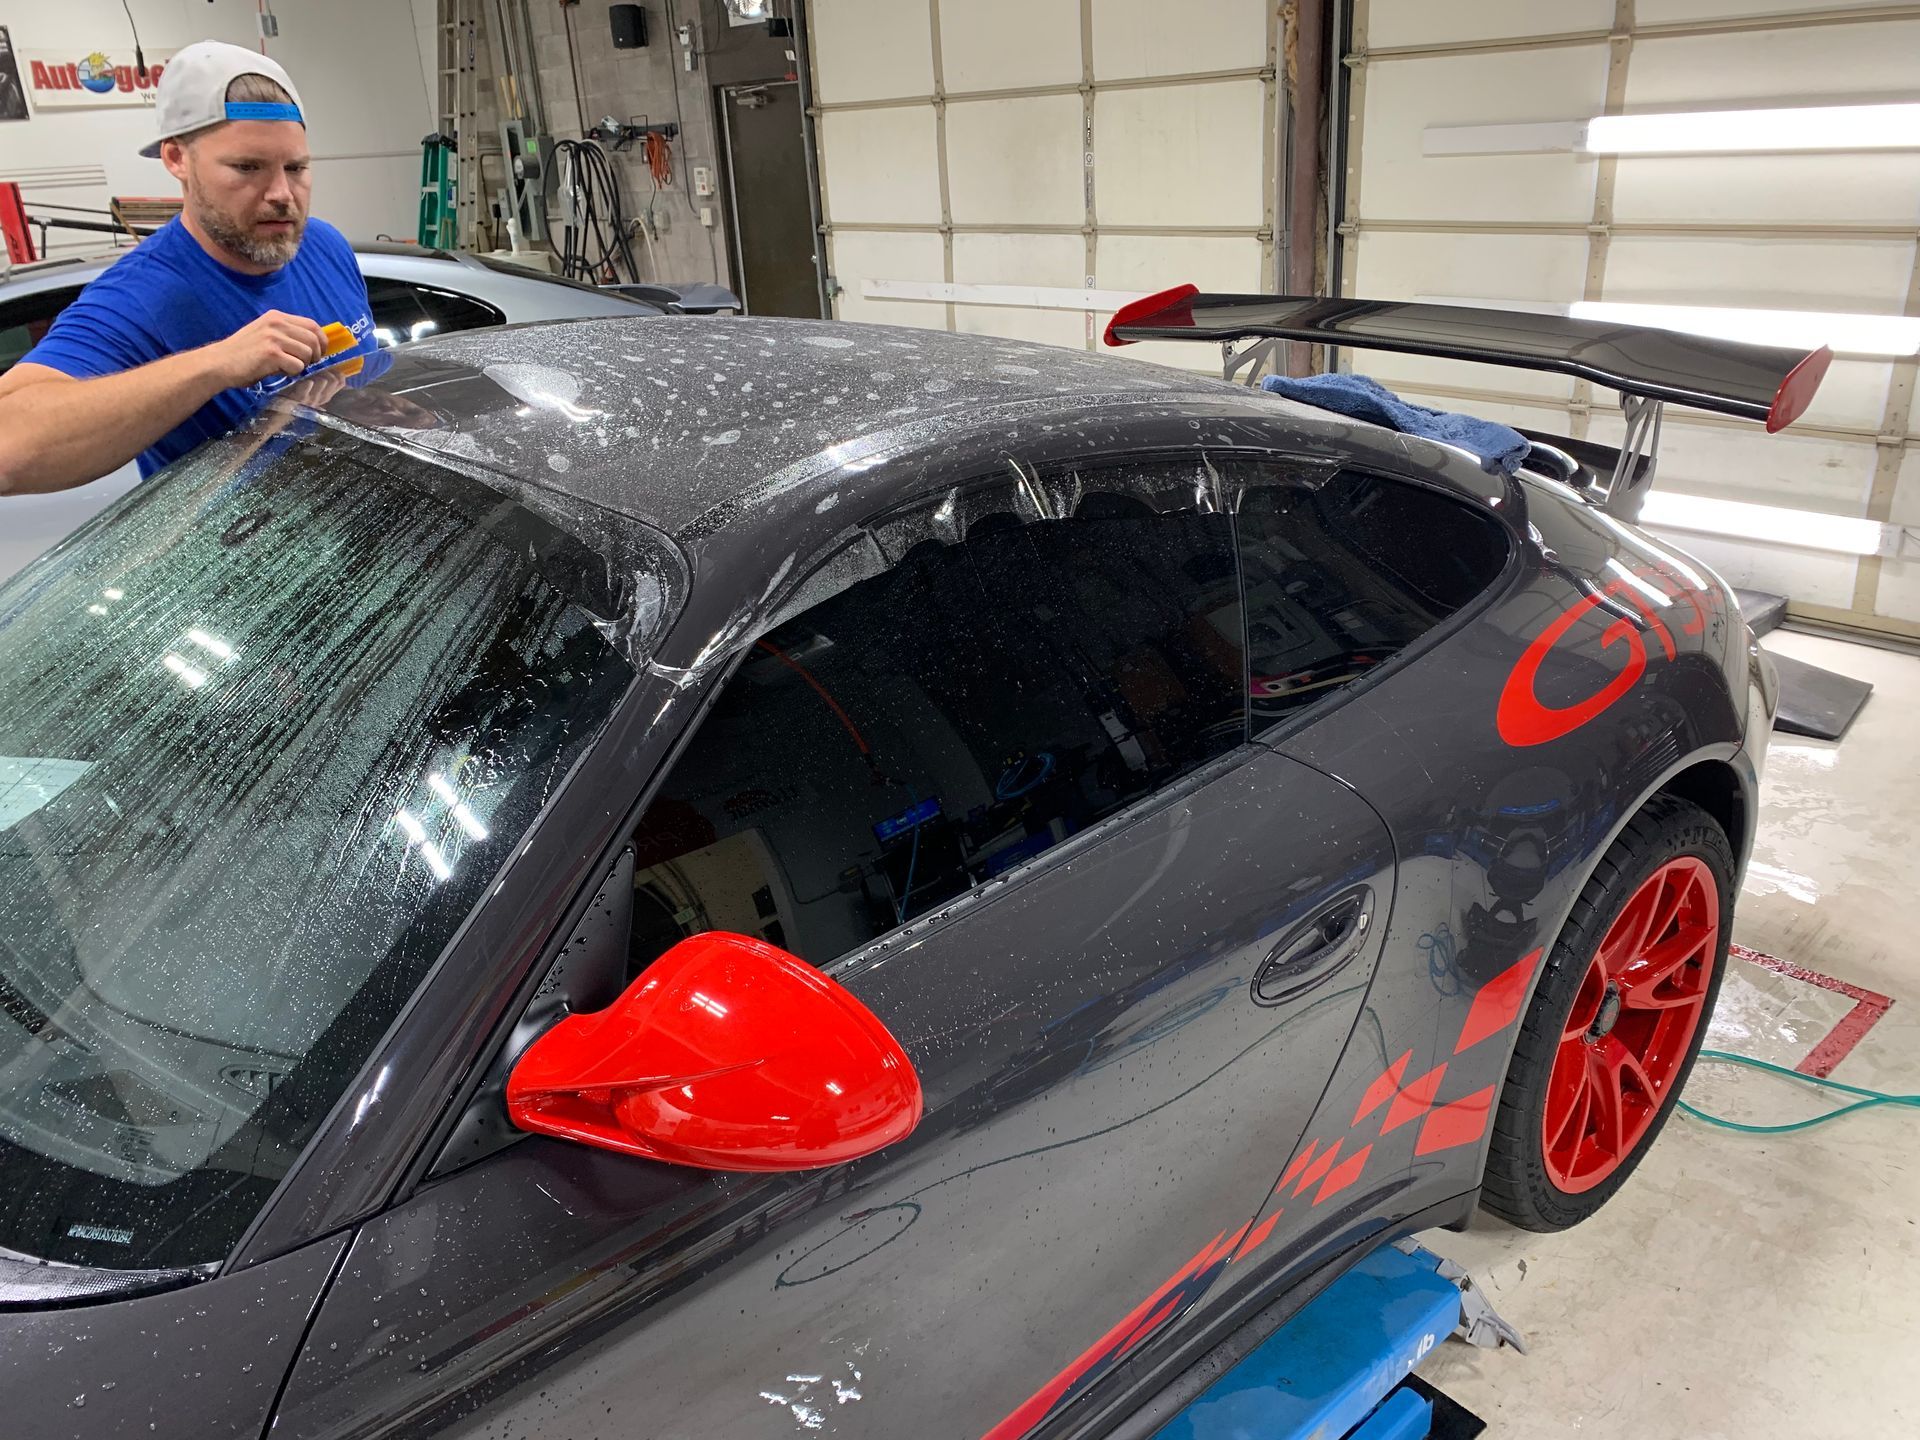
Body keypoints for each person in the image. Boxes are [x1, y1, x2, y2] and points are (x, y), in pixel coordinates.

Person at [0, 41, 377, 497]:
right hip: (247, 560)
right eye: (247, 167)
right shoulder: (141, 295)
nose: (282, 193)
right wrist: (217, 363)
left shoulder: (324, 245)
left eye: (295, 167)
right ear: (177, 159)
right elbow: (9, 448)